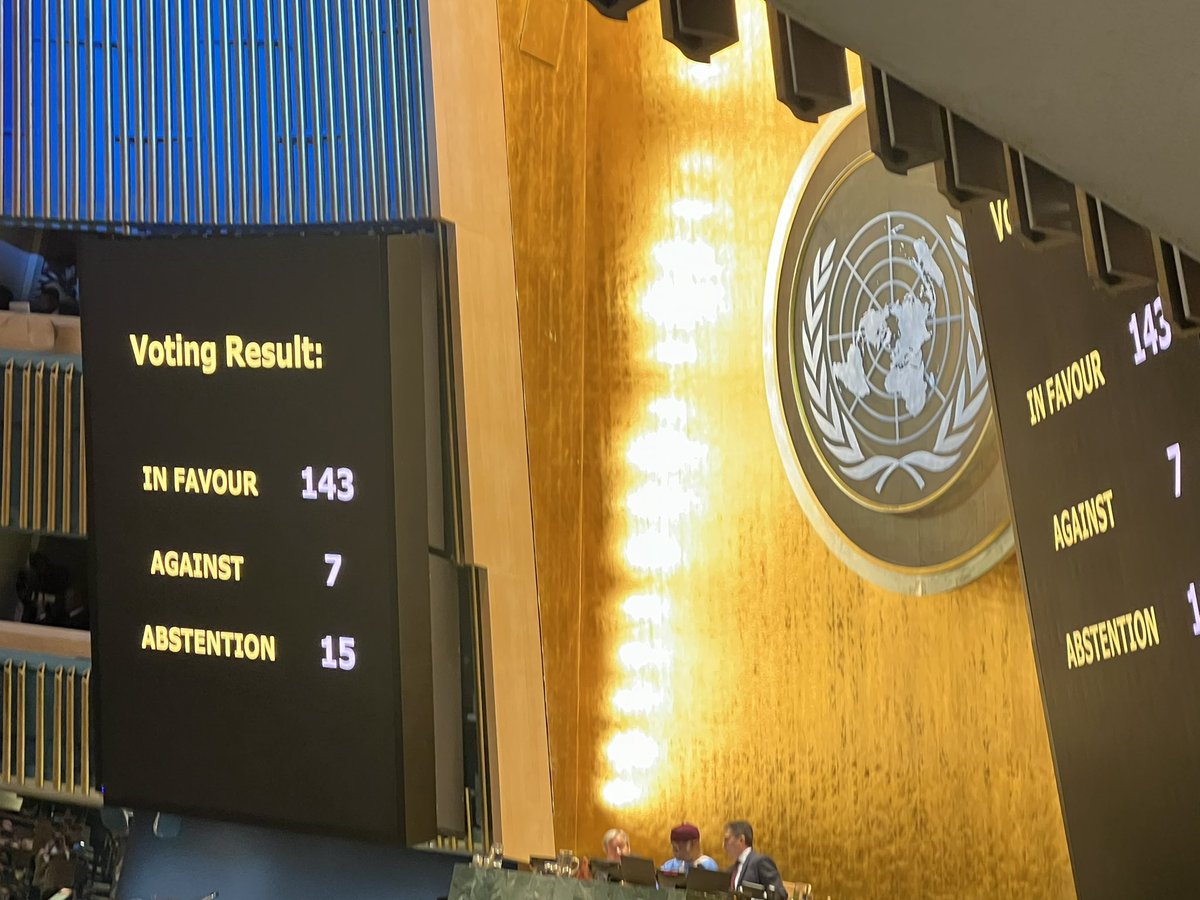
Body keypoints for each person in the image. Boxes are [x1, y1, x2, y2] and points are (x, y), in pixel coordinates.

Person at [723, 820, 787, 899]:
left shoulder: (760, 862)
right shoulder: (731, 870)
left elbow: (779, 895)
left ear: (741, 839)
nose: (723, 845)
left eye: (727, 839)